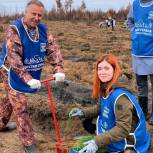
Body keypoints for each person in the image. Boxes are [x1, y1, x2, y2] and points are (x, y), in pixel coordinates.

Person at [0, 0, 65, 153]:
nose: (36, 18)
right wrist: (27, 78)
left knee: (11, 100)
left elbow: (52, 49)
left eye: (40, 15)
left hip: (29, 71)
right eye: (33, 14)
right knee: (20, 104)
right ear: (26, 13)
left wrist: (58, 68)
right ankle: (28, 142)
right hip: (10, 71)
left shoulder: (43, 30)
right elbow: (13, 57)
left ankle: (1, 123)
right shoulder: (14, 29)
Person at [69, 54, 150, 153]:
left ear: (115, 70)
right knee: (87, 122)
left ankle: (128, 149)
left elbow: (123, 129)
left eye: (107, 68)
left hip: (128, 137)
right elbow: (100, 107)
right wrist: (82, 112)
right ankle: (102, 138)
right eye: (100, 69)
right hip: (114, 124)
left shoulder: (120, 97)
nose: (102, 72)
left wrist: (96, 141)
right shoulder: (106, 86)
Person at [126, 0, 153, 124]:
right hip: (138, 52)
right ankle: (143, 112)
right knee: (141, 85)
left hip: (152, 53)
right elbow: (129, 21)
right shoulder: (135, 4)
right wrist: (134, 32)